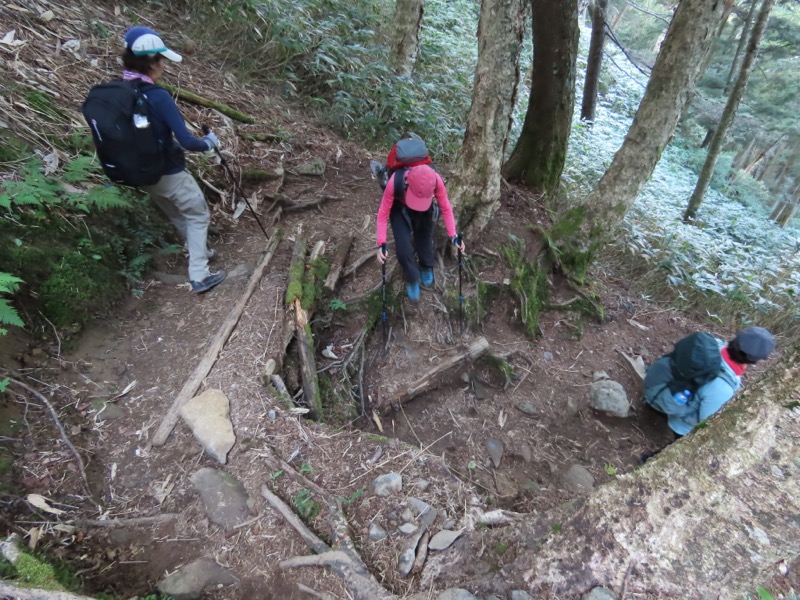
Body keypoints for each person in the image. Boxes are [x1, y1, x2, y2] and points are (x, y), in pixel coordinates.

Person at [121, 26, 225, 293]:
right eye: (162, 60)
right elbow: (188, 141)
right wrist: (209, 143)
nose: (164, 65)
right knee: (198, 214)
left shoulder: (120, 92)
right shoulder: (158, 96)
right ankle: (200, 275)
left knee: (179, 214)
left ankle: (197, 249)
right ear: (152, 63)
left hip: (141, 173)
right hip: (169, 171)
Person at [643, 326, 775, 438]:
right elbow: (706, 421)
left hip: (656, 380)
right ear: (754, 360)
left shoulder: (712, 344)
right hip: (663, 403)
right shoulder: (722, 387)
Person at [375, 163, 464, 301]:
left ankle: (426, 266)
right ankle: (412, 278)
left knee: (426, 240)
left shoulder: (436, 180)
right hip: (399, 207)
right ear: (407, 182)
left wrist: (453, 235)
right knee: (403, 248)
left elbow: (446, 208)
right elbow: (382, 214)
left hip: (426, 206)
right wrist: (381, 243)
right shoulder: (395, 182)